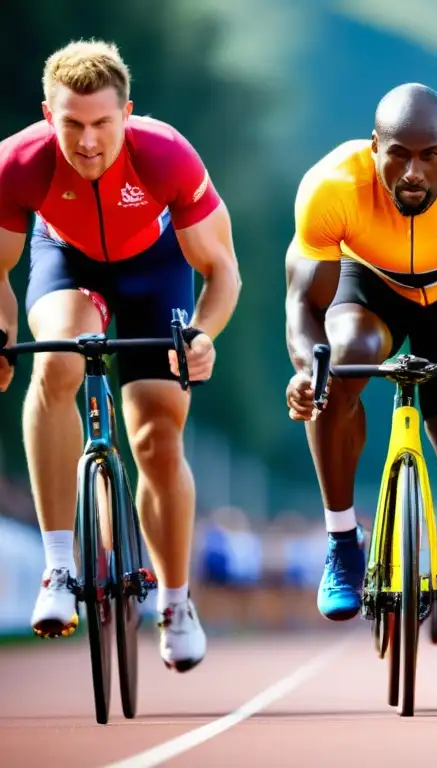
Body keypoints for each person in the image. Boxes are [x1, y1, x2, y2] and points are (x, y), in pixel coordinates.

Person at [283, 82, 437, 706]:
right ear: (374, 149)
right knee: (342, 361)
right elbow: (300, 308)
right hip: (366, 286)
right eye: (398, 154)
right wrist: (306, 373)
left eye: (430, 155)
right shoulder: (332, 187)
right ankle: (343, 539)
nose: (413, 172)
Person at [0, 40, 241, 671]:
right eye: (72, 124)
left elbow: (223, 272)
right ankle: (58, 569)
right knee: (55, 364)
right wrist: (2, 333)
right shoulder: (18, 164)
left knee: (159, 439)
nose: (87, 142)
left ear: (127, 114)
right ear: (48, 115)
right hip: (67, 263)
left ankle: (176, 600)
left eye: (103, 123)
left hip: (154, 273)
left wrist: (203, 334)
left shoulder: (165, 155)